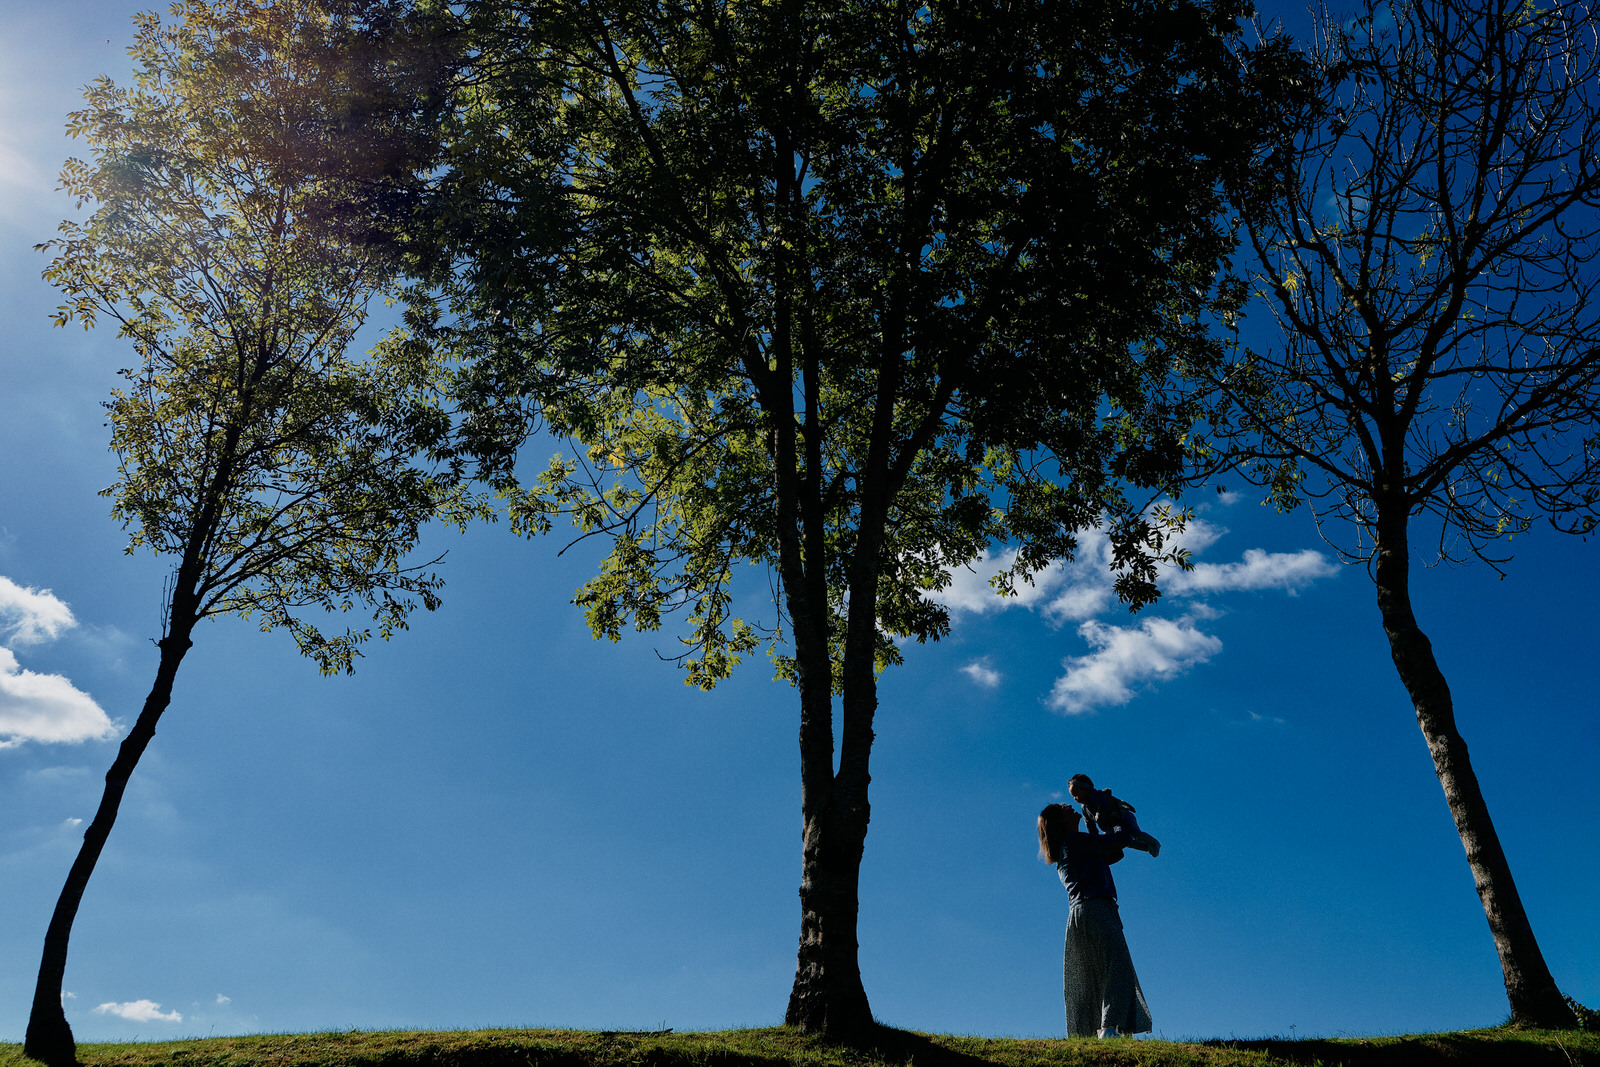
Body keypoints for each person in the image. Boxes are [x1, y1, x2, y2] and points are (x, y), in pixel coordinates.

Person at [1038, 802, 1153, 1039]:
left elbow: (1112, 853)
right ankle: (1110, 1028)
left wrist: (1094, 821)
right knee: (1118, 967)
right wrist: (1121, 819)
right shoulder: (1075, 842)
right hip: (1096, 908)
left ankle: (1104, 1030)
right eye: (1063, 808)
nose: (1069, 806)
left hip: (1084, 912)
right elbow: (1116, 842)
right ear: (1059, 821)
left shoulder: (1072, 846)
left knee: (1097, 975)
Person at [1068, 773, 1161, 857]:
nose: (1075, 798)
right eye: (1073, 796)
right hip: (1112, 825)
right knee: (1124, 841)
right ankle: (1148, 847)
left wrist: (1098, 816)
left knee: (1136, 833)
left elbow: (1103, 806)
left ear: (1086, 788)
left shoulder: (1096, 795)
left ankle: (1154, 843)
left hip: (1123, 815)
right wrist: (1094, 839)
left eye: (1076, 794)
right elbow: (1089, 824)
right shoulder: (1084, 808)